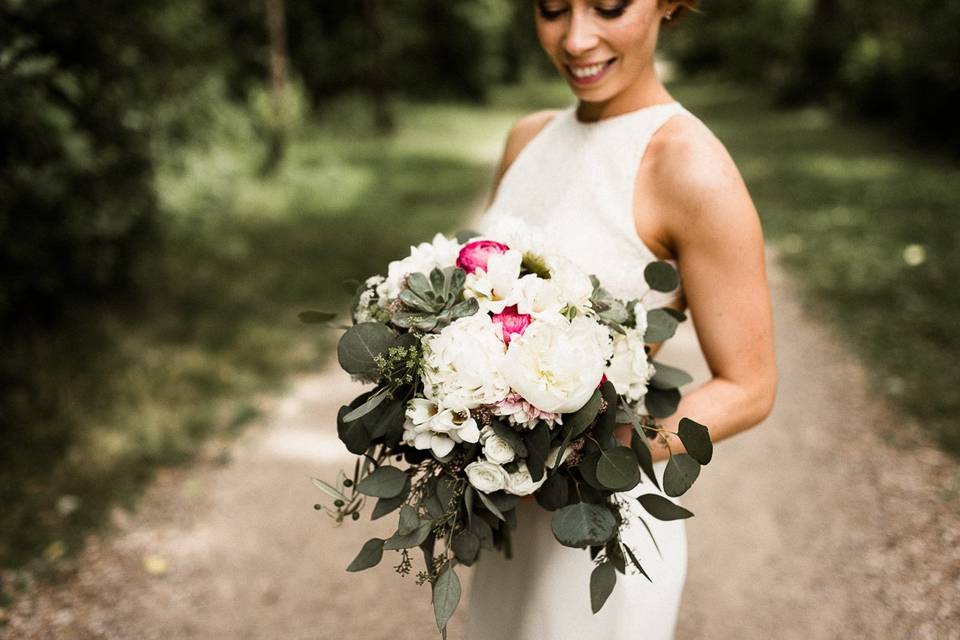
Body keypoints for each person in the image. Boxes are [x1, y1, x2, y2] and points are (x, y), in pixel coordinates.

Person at [466, 1, 778, 638]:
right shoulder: (526, 139)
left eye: (609, 6)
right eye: (552, 10)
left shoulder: (691, 167)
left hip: (601, 522)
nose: (577, 39)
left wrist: (588, 454)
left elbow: (751, 387)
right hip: (508, 516)